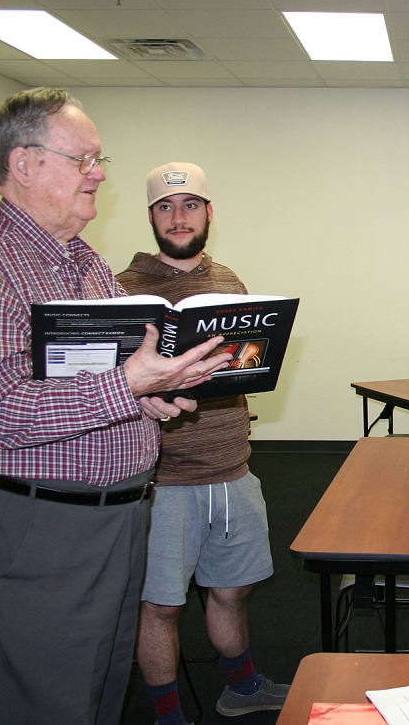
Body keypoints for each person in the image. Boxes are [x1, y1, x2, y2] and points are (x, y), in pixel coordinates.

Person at [0, 88, 232, 725]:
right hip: (28, 525)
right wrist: (129, 387)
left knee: (91, 693)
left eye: (100, 160)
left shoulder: (83, 261)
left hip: (107, 524)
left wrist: (148, 400)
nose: (99, 173)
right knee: (29, 701)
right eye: (84, 159)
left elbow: (82, 388)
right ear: (23, 164)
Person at [116, 162, 289, 724]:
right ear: (150, 218)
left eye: (190, 205)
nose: (178, 217)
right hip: (164, 479)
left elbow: (242, 362)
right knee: (161, 604)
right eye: (165, 207)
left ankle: (241, 685)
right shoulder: (123, 289)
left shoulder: (228, 280)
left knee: (233, 589)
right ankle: (168, 715)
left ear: (209, 212)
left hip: (232, 468)